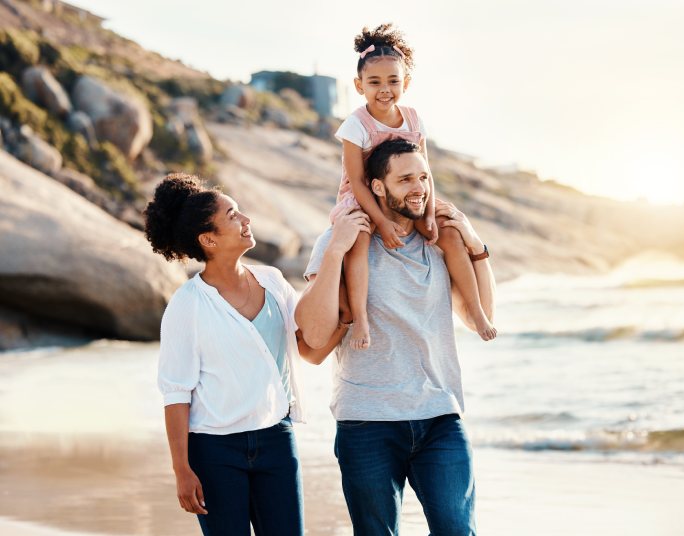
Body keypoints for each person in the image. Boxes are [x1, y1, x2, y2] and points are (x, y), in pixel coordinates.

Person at [296, 139, 496, 535]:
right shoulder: (346, 240)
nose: (419, 187)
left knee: (458, 530)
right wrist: (335, 250)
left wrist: (475, 245)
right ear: (378, 187)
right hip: (367, 420)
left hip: (440, 415)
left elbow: (482, 319)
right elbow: (313, 341)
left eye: (423, 176)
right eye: (405, 179)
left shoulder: (440, 244)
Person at [143, 173, 344, 536]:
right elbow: (176, 393)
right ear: (209, 240)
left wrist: (343, 324)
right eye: (233, 216)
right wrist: (182, 470)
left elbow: (307, 351)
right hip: (214, 452)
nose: (246, 220)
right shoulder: (187, 305)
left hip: (276, 440)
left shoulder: (273, 281)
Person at [331, 23, 496, 350]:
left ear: (405, 82)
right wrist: (382, 222)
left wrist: (431, 214)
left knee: (449, 233)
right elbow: (356, 180)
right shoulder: (356, 125)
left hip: (408, 195)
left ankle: (476, 311)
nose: (384, 89)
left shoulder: (413, 118)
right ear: (358, 85)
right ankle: (362, 318)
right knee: (360, 241)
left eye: (393, 81)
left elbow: (426, 171)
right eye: (374, 82)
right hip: (364, 197)